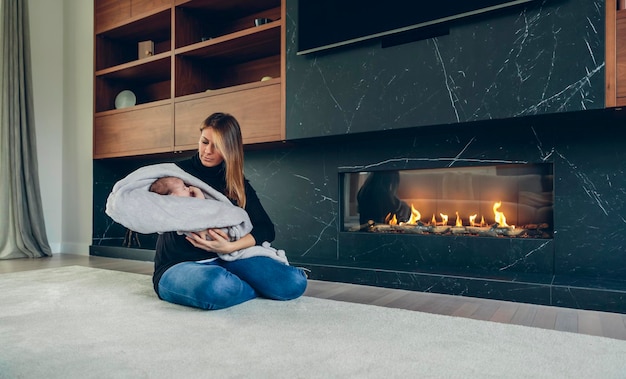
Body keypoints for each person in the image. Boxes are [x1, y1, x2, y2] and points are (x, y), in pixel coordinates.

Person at [153, 112, 308, 310]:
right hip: (179, 264)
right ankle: (250, 288)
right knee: (215, 286)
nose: (207, 151)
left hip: (226, 259)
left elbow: (266, 229)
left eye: (216, 146)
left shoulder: (236, 183)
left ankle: (234, 286)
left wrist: (228, 248)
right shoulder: (176, 174)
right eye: (204, 142)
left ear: (229, 149)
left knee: (293, 283)